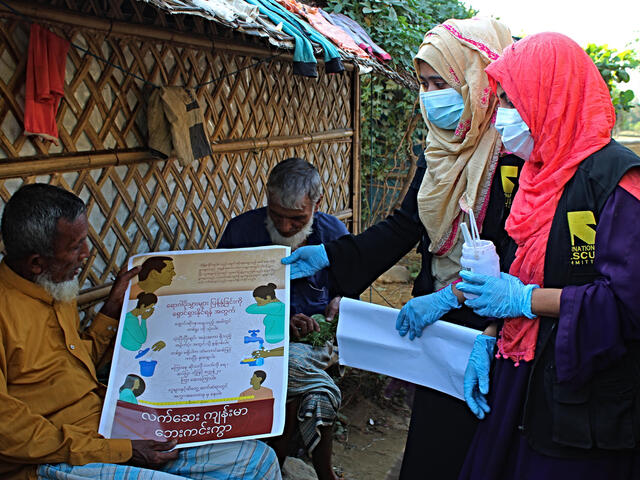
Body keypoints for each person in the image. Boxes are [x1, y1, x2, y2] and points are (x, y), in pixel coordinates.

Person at [282, 18, 517, 479]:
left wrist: (455, 297)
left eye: (440, 83)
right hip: (438, 320)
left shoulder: (512, 152)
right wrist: (330, 254)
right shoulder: (440, 150)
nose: (430, 95)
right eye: (425, 83)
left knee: (480, 443)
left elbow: (520, 250)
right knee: (431, 441)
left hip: (494, 321)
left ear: (476, 79)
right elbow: (405, 226)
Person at [0, 183, 281, 480]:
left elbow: (77, 366)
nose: (86, 253)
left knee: (258, 461)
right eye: (74, 247)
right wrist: (121, 450)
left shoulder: (55, 288)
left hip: (107, 424)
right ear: (36, 263)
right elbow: (9, 432)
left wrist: (110, 310)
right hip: (54, 458)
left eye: (85, 241)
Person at [455, 32, 640, 480]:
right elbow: (519, 265)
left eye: (513, 104)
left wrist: (524, 301)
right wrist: (491, 331)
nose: (501, 120)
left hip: (583, 398)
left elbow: (626, 304)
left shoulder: (618, 183)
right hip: (523, 374)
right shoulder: (535, 173)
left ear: (554, 98)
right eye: (500, 103)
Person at [218, 157, 347, 480]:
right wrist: (275, 322)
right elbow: (222, 300)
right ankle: (300, 468)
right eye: (277, 216)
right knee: (286, 373)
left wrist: (338, 303)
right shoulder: (242, 232)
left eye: (297, 218)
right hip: (251, 340)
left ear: (318, 204)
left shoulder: (334, 236)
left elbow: (348, 292)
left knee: (290, 372)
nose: (286, 226)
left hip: (317, 342)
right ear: (267, 200)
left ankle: (284, 465)